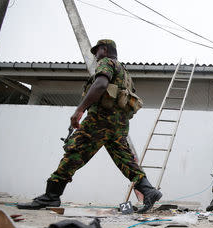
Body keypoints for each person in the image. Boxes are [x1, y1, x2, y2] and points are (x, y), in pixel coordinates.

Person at [17, 39, 162, 213]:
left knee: (74, 152)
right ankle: (148, 191)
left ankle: (51, 195)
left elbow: (100, 84)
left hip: (99, 121)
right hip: (119, 125)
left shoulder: (106, 63)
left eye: (97, 51)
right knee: (126, 160)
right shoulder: (126, 74)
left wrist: (80, 110)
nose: (95, 56)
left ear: (104, 49)